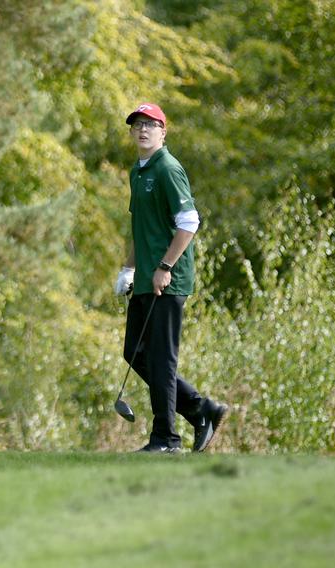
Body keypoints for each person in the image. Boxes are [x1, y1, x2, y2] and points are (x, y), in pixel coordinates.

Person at [113, 103, 228, 454]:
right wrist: (129, 268)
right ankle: (199, 408)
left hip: (168, 279)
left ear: (164, 132)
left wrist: (164, 267)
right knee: (134, 351)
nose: (143, 130)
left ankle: (166, 438)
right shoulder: (139, 171)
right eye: (137, 125)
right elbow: (141, 228)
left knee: (162, 359)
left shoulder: (168, 169)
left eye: (151, 124)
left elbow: (189, 223)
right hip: (147, 278)